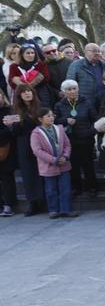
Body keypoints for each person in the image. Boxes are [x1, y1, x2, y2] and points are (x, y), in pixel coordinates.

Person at [54, 80, 98, 198]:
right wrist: (65, 120)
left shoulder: (87, 102)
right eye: (69, 89)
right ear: (63, 92)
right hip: (69, 140)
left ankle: (92, 187)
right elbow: (55, 121)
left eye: (74, 88)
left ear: (78, 89)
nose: (72, 91)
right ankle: (77, 188)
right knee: (73, 165)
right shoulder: (59, 105)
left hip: (86, 139)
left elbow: (95, 119)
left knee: (88, 164)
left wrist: (90, 132)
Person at [31, 107, 76, 218]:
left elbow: (67, 144)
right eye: (48, 116)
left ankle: (67, 209)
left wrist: (65, 156)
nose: (51, 118)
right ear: (40, 119)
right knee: (51, 190)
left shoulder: (59, 128)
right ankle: (53, 210)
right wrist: (53, 159)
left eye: (52, 115)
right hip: (48, 166)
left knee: (66, 188)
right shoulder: (36, 133)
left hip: (63, 164)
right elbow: (37, 151)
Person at [9, 84, 44, 215]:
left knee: (42, 170)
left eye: (29, 91)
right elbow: (15, 132)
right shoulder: (16, 110)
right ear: (19, 95)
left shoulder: (40, 106)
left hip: (40, 141)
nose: (27, 93)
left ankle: (44, 199)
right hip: (24, 144)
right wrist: (12, 125)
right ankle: (33, 202)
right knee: (28, 173)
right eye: (24, 92)